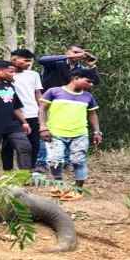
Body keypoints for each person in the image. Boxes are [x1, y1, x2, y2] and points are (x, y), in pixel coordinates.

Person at [39, 68, 101, 200]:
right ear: (76, 78)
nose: (91, 85)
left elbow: (93, 114)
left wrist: (97, 131)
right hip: (55, 133)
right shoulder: (54, 92)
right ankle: (58, 185)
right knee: (54, 161)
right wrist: (43, 127)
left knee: (79, 161)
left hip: (79, 134)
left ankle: (77, 191)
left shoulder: (88, 96)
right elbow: (42, 109)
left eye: (92, 83)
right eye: (88, 81)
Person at [0, 48, 42, 173]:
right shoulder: (2, 73)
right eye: (26, 61)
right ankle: (8, 172)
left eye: (30, 61)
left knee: (33, 144)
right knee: (8, 145)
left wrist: (42, 111)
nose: (28, 64)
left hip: (32, 114)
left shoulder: (33, 75)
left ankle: (28, 172)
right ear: (14, 59)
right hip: (9, 115)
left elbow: (38, 93)